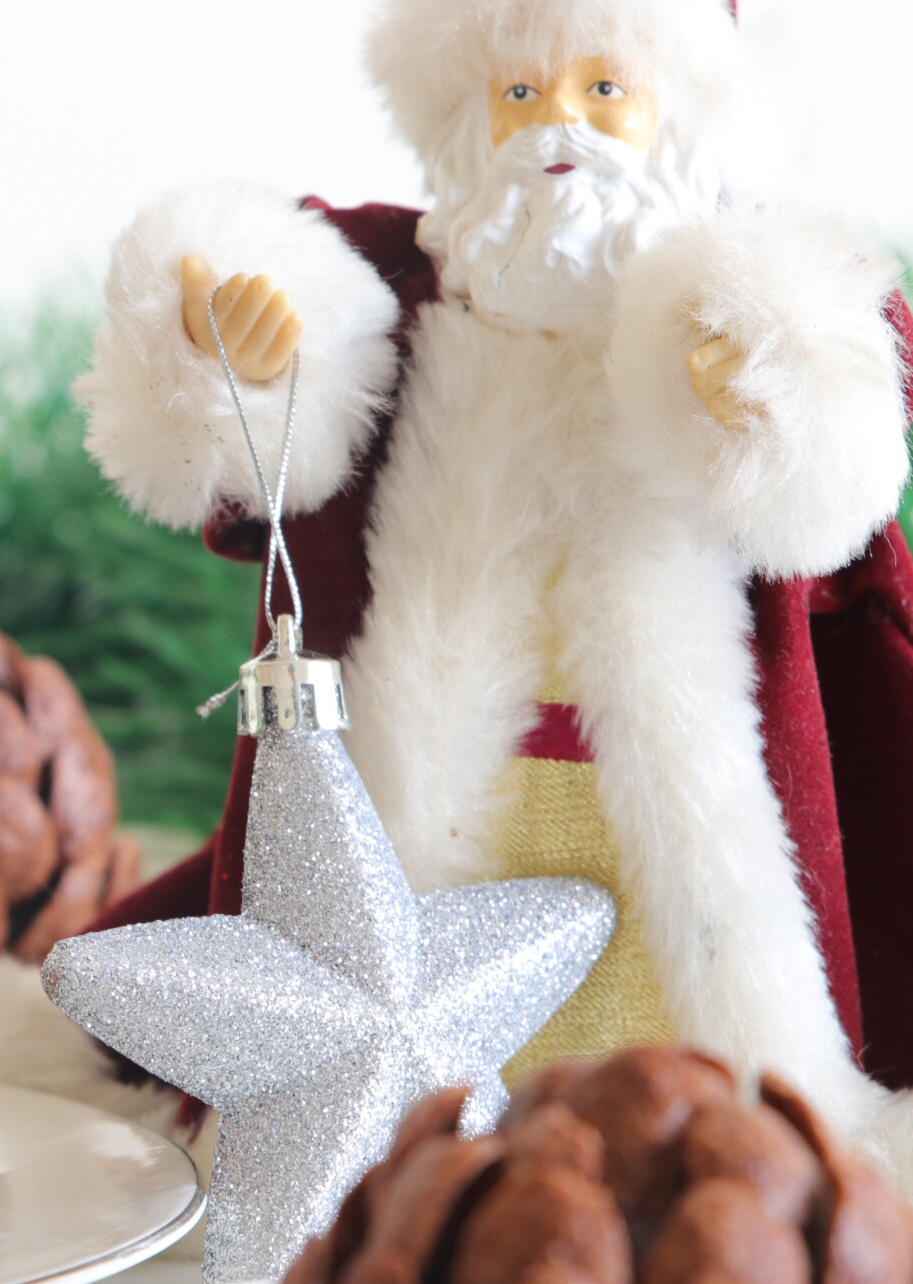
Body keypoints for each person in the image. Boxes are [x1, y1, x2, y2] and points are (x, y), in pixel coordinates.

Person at [68, 0, 913, 1178]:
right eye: (521, 94)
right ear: (464, 116)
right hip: (445, 814)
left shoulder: (748, 305)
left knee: (694, 990)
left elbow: (826, 508)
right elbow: (266, 450)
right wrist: (241, 367)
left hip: (670, 793)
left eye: (602, 89)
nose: (556, 125)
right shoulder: (391, 301)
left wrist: (758, 397)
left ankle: (698, 1143)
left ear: (686, 109)